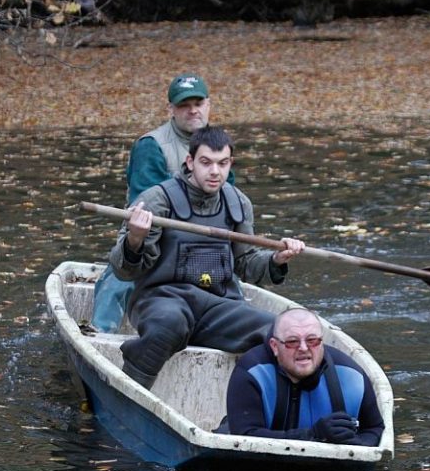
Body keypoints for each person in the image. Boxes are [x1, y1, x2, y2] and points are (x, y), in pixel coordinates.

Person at [109, 126, 305, 388]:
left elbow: (247, 264)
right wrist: (135, 238)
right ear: (190, 162)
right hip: (162, 299)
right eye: (206, 163)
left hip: (219, 305)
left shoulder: (238, 203)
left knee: (277, 333)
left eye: (222, 163)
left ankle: (262, 405)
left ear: (230, 163)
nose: (215, 171)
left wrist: (277, 259)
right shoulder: (156, 200)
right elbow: (125, 272)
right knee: (169, 325)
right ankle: (129, 391)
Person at [92, 73, 234, 332]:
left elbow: (229, 203)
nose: (193, 111)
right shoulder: (152, 146)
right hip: (153, 246)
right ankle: (99, 335)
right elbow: (144, 207)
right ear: (171, 109)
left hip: (204, 250)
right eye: (183, 105)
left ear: (208, 105)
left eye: (198, 103)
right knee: (119, 282)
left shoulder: (218, 148)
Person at [225, 308, 385, 446]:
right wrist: (312, 435)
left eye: (312, 340)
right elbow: (244, 436)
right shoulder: (251, 372)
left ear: (322, 342)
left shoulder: (351, 374)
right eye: (292, 341)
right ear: (274, 346)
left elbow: (375, 428)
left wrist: (356, 445)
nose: (303, 348)